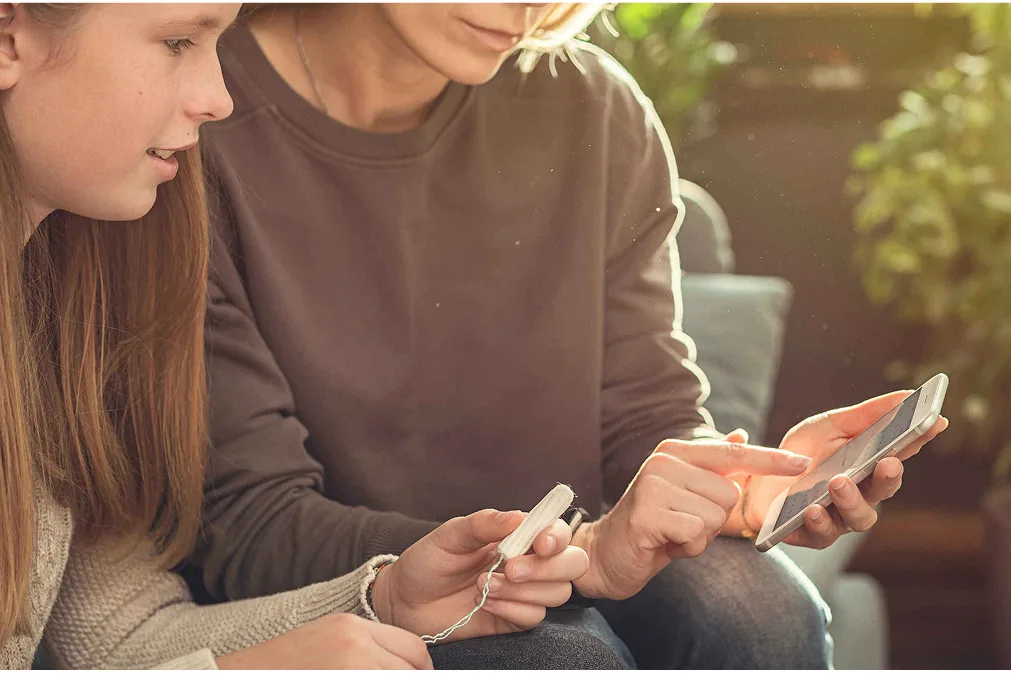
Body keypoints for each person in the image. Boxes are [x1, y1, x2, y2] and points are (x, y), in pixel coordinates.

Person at [193, 2, 949, 669]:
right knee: (567, 656)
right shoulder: (189, 107)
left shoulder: (590, 104)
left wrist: (735, 489)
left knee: (762, 610)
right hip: (360, 585)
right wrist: (581, 552)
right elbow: (252, 523)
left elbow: (646, 416)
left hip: (588, 547)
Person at [0, 3, 605, 669]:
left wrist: (384, 599)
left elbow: (115, 642)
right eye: (176, 42)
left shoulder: (60, 309)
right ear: (7, 36)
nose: (220, 98)